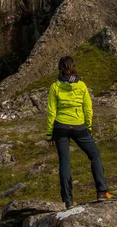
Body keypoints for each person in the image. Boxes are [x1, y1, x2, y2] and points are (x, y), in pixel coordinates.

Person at [46, 55, 113, 209]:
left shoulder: (55, 87)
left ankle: (68, 201)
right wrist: (88, 127)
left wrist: (49, 134)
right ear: (74, 67)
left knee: (64, 163)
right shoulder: (81, 85)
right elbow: (88, 108)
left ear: (60, 68)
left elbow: (51, 112)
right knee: (94, 155)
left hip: (60, 127)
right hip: (79, 126)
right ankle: (102, 192)